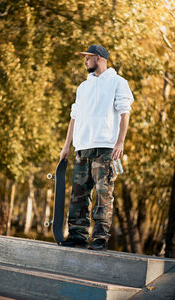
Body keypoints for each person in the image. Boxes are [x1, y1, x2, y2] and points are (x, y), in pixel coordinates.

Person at [60, 45, 134, 250]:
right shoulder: (83, 87)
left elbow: (124, 113)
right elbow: (73, 118)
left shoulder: (118, 83)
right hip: (82, 147)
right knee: (78, 195)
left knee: (104, 194)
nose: (85, 61)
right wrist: (66, 147)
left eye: (88, 57)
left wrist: (120, 142)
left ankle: (100, 238)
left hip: (105, 148)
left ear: (99, 58)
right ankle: (77, 235)